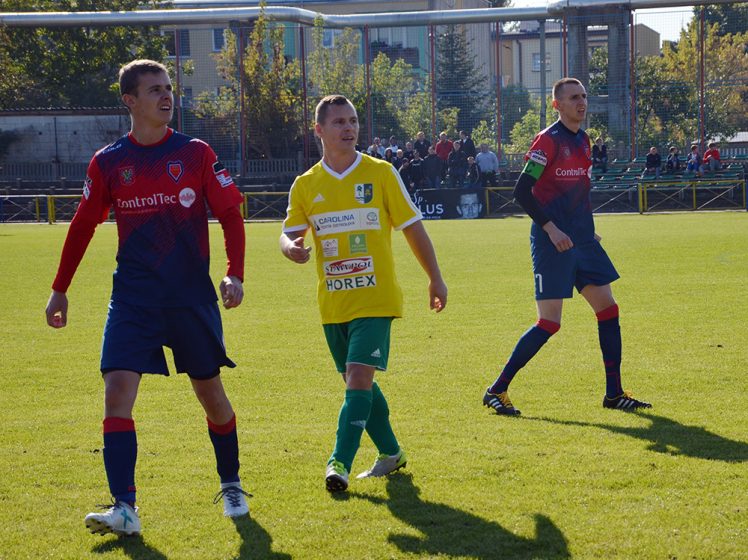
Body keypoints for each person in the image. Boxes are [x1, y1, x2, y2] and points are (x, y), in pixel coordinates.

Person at [44, 59, 250, 536]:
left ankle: (231, 483)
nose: (166, 96)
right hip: (133, 298)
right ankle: (125, 508)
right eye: (154, 89)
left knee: (211, 395)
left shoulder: (195, 153)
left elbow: (231, 215)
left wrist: (234, 275)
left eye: (168, 87)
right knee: (116, 392)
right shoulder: (109, 161)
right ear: (130, 101)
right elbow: (82, 225)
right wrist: (59, 289)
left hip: (189, 297)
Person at [279, 94, 447, 493]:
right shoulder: (306, 185)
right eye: (339, 122)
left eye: (352, 121)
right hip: (333, 302)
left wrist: (435, 277)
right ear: (319, 130)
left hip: (376, 298)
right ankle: (391, 453)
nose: (349, 128)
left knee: (357, 377)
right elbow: (288, 234)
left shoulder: (381, 173)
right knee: (358, 383)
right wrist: (291, 249)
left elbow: (412, 227)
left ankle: (338, 462)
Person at [482, 77, 651, 416]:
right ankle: (496, 390)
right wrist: (551, 228)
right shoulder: (547, 141)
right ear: (556, 104)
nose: (581, 102)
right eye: (573, 97)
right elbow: (521, 191)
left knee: (608, 309)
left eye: (584, 96)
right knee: (549, 322)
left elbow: (578, 194)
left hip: (583, 240)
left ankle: (614, 394)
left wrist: (588, 231)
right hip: (553, 243)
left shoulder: (584, 141)